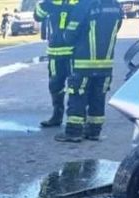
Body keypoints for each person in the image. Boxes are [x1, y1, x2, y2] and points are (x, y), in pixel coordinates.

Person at [55, 0, 122, 143]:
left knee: (77, 95)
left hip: (83, 62)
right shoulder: (116, 6)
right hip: (106, 63)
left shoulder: (84, 5)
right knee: (98, 97)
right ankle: (94, 131)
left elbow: (70, 35)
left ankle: (73, 132)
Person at [34, 0, 80, 128]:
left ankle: (77, 117)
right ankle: (57, 115)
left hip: (73, 53)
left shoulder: (78, 2)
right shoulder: (50, 3)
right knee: (55, 85)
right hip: (55, 52)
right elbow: (37, 15)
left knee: (76, 86)